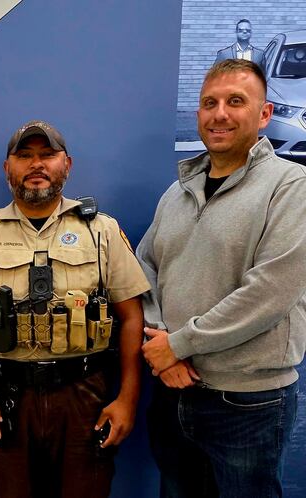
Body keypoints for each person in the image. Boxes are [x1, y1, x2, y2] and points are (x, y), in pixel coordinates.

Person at [0, 120, 149, 498]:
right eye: (24, 156)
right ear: (7, 168)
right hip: (1, 396)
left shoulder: (102, 231)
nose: (36, 165)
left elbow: (131, 318)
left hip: (82, 396)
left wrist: (127, 398)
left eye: (47, 155)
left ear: (67, 165)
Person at [137, 59, 306, 497]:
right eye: (209, 103)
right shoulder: (177, 192)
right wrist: (162, 342)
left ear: (265, 114)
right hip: (174, 395)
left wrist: (176, 346)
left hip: (248, 404)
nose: (220, 114)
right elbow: (145, 267)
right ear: (198, 115)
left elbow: (270, 292)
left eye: (236, 101)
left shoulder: (291, 186)